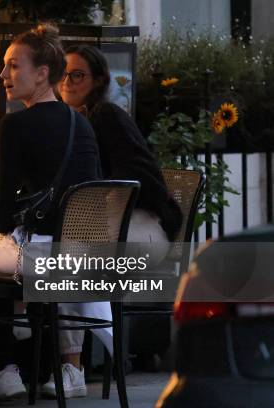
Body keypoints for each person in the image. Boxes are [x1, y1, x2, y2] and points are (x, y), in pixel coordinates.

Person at [0, 24, 102, 405]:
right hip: (85, 257)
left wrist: (2, 210)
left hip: (41, 258)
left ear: (42, 73)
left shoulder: (16, 125)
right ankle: (10, 367)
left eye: (13, 66)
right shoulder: (82, 123)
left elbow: (7, 219)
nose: (3, 75)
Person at [53, 44, 184, 397]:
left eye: (77, 74)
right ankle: (26, 360)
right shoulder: (67, 121)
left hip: (144, 227)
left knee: (66, 258)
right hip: (111, 226)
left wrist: (93, 194)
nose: (68, 81)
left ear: (98, 80)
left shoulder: (107, 116)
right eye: (63, 73)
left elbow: (136, 178)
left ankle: (72, 368)